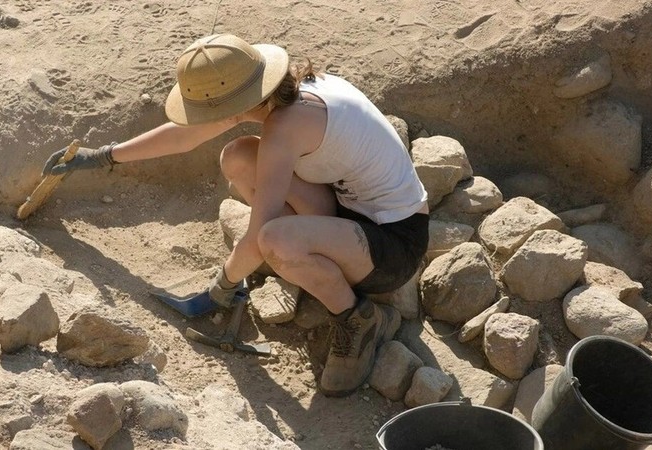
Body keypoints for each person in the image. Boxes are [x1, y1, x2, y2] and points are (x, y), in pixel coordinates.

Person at [43, 33, 430, 397]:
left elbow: (263, 227)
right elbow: (183, 135)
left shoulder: (286, 126)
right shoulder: (284, 92)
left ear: (238, 102)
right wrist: (101, 156)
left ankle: (355, 317)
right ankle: (289, 261)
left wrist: (222, 285)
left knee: (274, 239)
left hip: (394, 244)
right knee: (240, 155)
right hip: (348, 211)